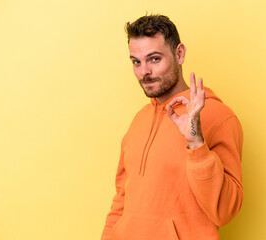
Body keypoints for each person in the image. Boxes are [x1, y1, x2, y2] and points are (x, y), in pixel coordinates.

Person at [101, 14, 243, 240]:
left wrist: (196, 144)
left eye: (154, 59)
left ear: (179, 54)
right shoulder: (138, 121)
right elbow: (121, 200)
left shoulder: (219, 117)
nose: (143, 72)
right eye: (136, 61)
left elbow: (225, 211)